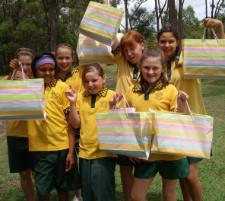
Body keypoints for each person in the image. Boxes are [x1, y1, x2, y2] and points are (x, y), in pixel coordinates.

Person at [120, 47, 189, 201]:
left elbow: (177, 122)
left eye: (155, 68)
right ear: (140, 67)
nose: (151, 72)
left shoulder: (171, 90)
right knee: (136, 195)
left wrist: (181, 105)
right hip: (146, 155)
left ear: (163, 69)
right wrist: (131, 150)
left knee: (169, 194)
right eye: (146, 67)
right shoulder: (131, 91)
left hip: (170, 153)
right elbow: (127, 123)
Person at [157, 25, 206, 201]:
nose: (167, 45)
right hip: (174, 123)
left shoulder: (189, 58)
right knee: (182, 174)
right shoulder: (159, 65)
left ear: (177, 43)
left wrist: (219, 28)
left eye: (171, 41)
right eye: (163, 41)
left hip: (193, 122)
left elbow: (220, 52)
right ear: (158, 43)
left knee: (191, 176)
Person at [28, 53, 78, 201]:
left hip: (62, 148)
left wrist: (70, 152)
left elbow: (70, 125)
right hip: (39, 149)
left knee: (63, 188)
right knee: (42, 190)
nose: (48, 72)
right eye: (43, 70)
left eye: (51, 69)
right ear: (35, 71)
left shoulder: (63, 88)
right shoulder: (28, 89)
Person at [65, 63, 118, 201]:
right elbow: (76, 124)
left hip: (104, 153)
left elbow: (119, 127)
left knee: (102, 193)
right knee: (87, 194)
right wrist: (72, 103)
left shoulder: (113, 96)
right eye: (86, 81)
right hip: (84, 153)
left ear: (103, 79)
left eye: (94, 80)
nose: (90, 84)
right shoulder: (80, 97)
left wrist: (114, 108)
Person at [111, 30, 145, 201]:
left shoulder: (151, 65)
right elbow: (112, 42)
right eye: (125, 50)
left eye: (132, 48)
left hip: (143, 123)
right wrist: (107, 4)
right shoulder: (122, 61)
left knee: (143, 168)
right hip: (123, 122)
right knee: (125, 167)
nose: (129, 53)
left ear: (142, 45)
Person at [6, 48, 36, 201]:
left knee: (37, 172)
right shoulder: (8, 81)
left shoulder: (38, 83)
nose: (24, 68)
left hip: (35, 134)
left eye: (28, 64)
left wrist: (25, 81)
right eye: (21, 64)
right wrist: (13, 74)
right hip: (15, 134)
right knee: (23, 173)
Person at [55, 43, 83, 201]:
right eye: (60, 58)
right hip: (64, 124)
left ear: (72, 58)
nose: (64, 61)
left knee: (83, 160)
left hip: (81, 120)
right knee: (70, 157)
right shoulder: (53, 76)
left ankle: (81, 193)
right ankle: (75, 192)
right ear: (55, 58)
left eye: (67, 57)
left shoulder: (80, 73)